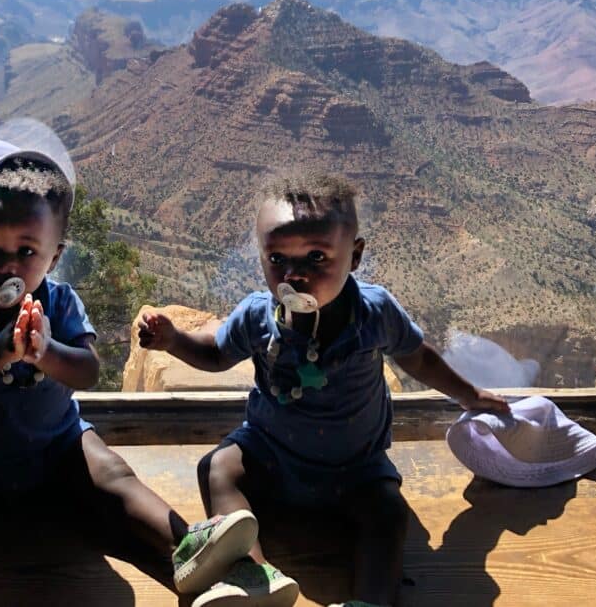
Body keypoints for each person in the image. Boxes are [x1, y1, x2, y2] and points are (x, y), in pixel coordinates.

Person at [0, 137, 259, 606]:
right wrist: (1, 349)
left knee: (114, 474)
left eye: (26, 251)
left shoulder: (60, 302)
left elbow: (85, 371)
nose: (6, 267)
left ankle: (188, 546)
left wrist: (44, 351)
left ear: (54, 254)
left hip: (58, 450)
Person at [138, 171, 509, 607]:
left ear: (355, 256)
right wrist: (175, 340)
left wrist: (471, 396)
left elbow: (418, 357)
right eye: (278, 260)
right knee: (217, 469)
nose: (294, 277)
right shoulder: (258, 317)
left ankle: (371, 601)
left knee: (388, 514)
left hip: (356, 469)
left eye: (316, 258)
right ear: (260, 257)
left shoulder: (373, 312)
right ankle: (254, 576)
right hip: (270, 454)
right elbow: (217, 354)